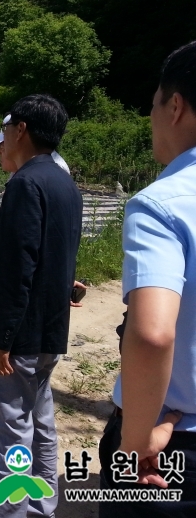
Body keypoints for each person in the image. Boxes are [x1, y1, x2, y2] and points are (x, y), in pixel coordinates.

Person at [0, 94, 82, 517]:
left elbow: (18, 267)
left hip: (21, 336)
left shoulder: (25, 183)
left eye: (6, 132)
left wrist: (0, 338)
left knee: (11, 428)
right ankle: (41, 506)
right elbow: (59, 257)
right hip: (49, 330)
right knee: (42, 423)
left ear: (21, 130)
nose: (2, 142)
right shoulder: (63, 181)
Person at [99, 41, 196, 515]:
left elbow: (153, 335)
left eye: (154, 104)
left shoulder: (163, 203)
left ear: (175, 105)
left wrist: (134, 447)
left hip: (174, 444)